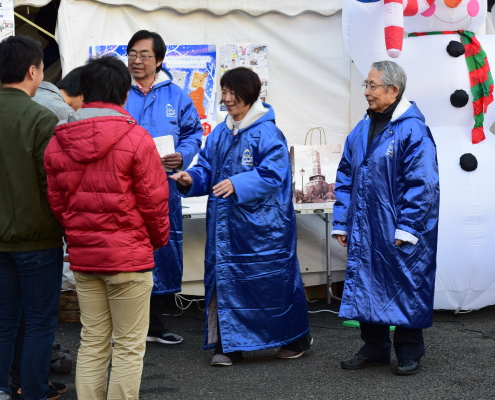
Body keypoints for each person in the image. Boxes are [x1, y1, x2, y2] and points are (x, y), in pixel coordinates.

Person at [44, 55, 170, 400]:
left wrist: (78, 233)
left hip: (86, 258)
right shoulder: (138, 139)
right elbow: (155, 203)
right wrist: (154, 241)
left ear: (84, 92)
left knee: (93, 342)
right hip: (129, 258)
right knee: (129, 347)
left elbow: (58, 205)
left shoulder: (58, 141)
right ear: (123, 94)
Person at [170, 67, 311, 366]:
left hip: (264, 229)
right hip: (225, 226)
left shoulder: (268, 132)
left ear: (249, 94)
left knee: (270, 284)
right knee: (226, 281)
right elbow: (206, 167)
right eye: (224, 92)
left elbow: (274, 174)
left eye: (232, 92)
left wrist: (237, 183)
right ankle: (228, 345)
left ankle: (294, 337)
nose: (227, 98)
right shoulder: (221, 131)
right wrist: (190, 180)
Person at [0, 35, 64, 400]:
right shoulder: (41, 117)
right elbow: (52, 182)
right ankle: (34, 390)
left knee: (3, 317)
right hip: (38, 237)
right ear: (34, 70)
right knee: (38, 320)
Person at [332, 60, 439, 376]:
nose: (366, 91)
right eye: (365, 85)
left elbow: (423, 183)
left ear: (393, 90)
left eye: (371, 85)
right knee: (367, 282)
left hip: (398, 226)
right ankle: (374, 348)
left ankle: (410, 350)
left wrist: (408, 226)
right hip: (366, 223)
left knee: (405, 283)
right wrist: (342, 221)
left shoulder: (413, 129)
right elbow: (345, 175)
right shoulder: (362, 127)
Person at [125, 30, 203, 345]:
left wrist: (182, 155)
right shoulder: (119, 91)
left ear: (159, 61)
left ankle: (155, 326)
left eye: (145, 55)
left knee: (161, 246)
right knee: (128, 247)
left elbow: (193, 132)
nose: (137, 60)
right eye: (132, 53)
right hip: (124, 186)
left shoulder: (176, 95)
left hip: (162, 185)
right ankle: (128, 325)